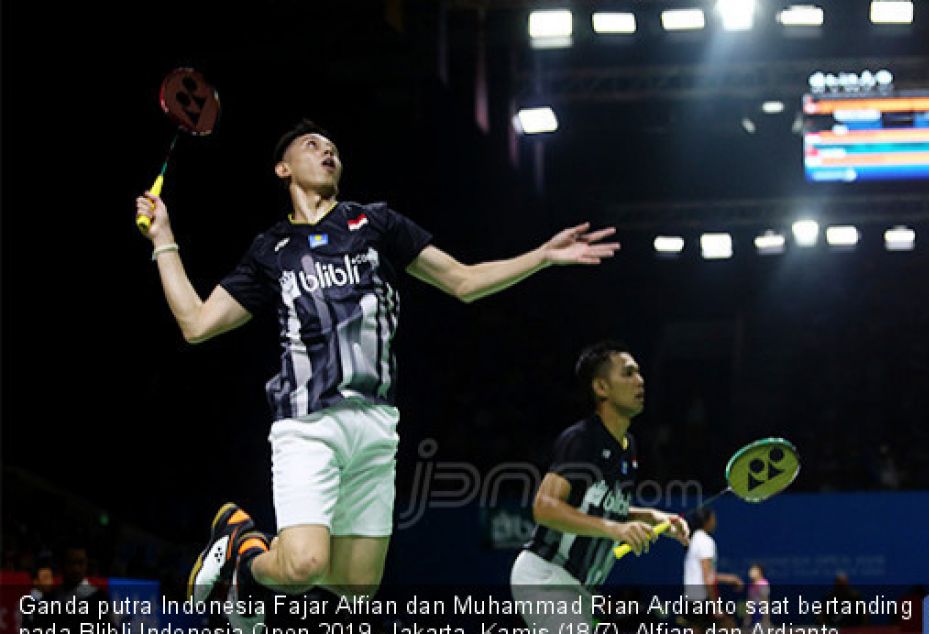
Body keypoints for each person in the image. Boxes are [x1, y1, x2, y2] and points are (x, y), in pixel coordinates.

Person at [133, 120, 620, 620]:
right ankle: (243, 553)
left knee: (357, 586)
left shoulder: (376, 224)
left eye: (333, 147)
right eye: (312, 144)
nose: (327, 150)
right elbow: (196, 324)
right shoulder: (271, 250)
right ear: (283, 168)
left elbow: (463, 281)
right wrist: (164, 239)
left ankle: (250, 565)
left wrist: (541, 257)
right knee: (303, 566)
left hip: (376, 427)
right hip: (307, 425)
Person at [510, 341, 690, 631]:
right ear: (601, 388)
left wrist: (649, 517)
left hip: (579, 589)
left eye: (639, 373)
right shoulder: (581, 440)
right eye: (628, 373)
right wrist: (614, 529)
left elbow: (598, 506)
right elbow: (544, 507)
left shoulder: (628, 447)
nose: (640, 381)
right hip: (546, 575)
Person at [682, 508, 742, 633]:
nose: (715, 522)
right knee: (730, 627)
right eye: (713, 518)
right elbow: (707, 576)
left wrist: (729, 579)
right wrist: (715, 605)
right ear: (706, 521)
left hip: (691, 596)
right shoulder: (705, 541)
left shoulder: (694, 539)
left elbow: (704, 573)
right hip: (702, 597)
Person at [743, 563, 770, 630]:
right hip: (753, 612)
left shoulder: (763, 583)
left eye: (753, 571)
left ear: (760, 572)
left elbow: (765, 601)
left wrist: (765, 619)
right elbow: (749, 600)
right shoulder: (751, 585)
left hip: (760, 612)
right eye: (750, 570)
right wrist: (747, 617)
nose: (750, 572)